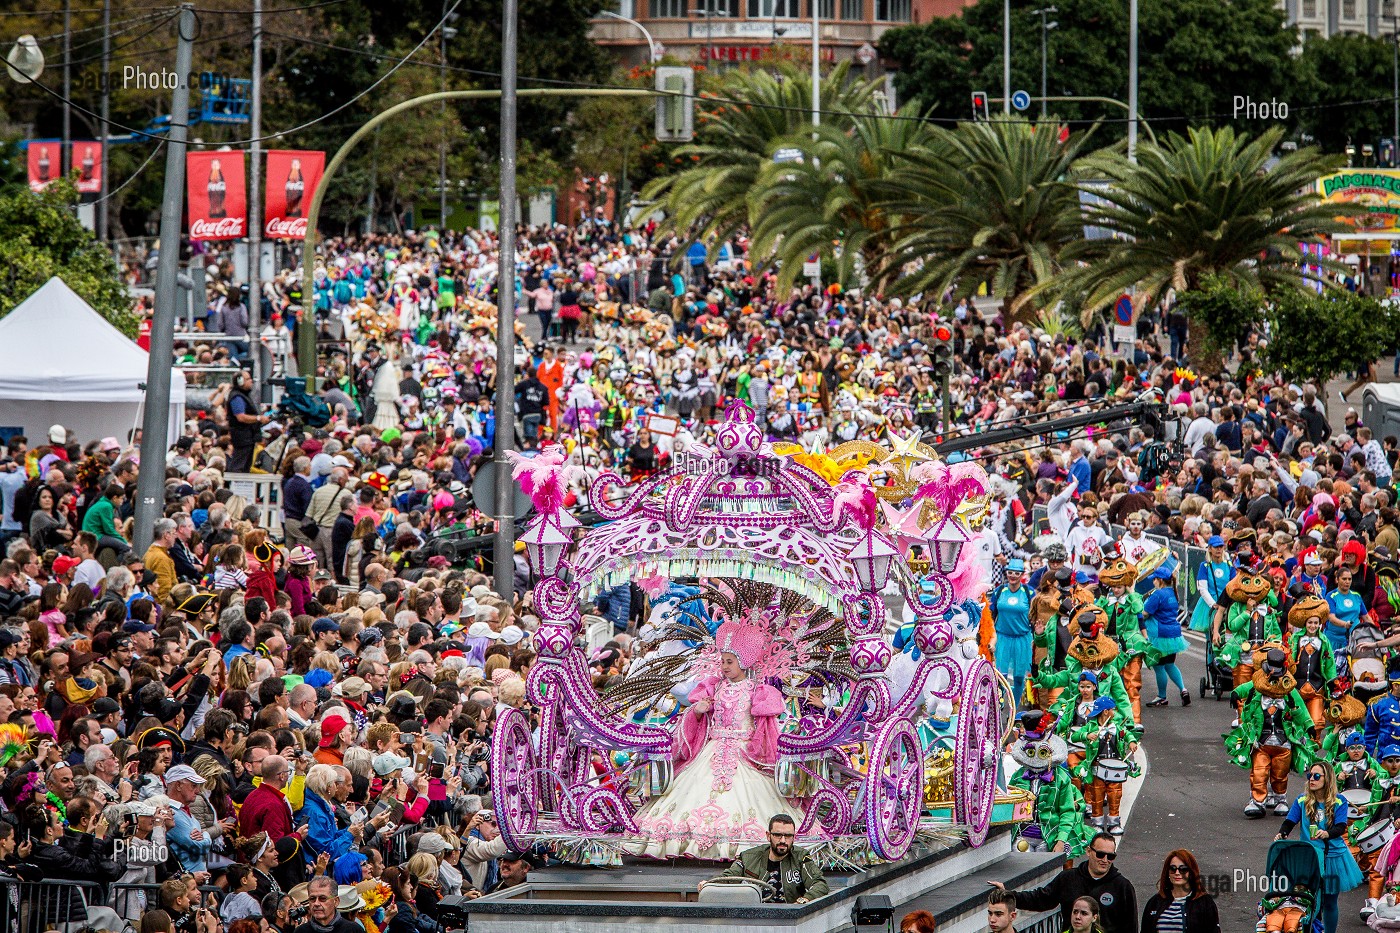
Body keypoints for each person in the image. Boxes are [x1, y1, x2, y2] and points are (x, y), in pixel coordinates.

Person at [632, 619, 790, 859]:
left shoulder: (757, 691)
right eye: (723, 661)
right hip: (712, 751)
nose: (724, 666)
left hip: (743, 753)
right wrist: (697, 710)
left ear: (743, 662)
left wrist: (760, 751)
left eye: (730, 662)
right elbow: (698, 721)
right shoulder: (714, 688)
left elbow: (766, 729)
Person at [1274, 760, 1363, 933]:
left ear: (1327, 779)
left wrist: (1327, 833)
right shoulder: (1302, 800)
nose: (1311, 780)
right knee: (1308, 899)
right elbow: (1290, 821)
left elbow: (1340, 826)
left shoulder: (1339, 801)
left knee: (1329, 901)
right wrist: (1282, 834)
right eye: (1309, 776)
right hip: (1310, 856)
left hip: (1333, 856)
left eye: (1316, 776)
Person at [992, 832, 1138, 933]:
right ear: (1088, 851)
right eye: (1100, 854)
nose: (1105, 860)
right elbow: (1040, 899)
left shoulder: (1123, 887)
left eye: (1110, 856)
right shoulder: (1068, 879)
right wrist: (1009, 896)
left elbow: (1130, 928)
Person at [714, 814, 829, 904]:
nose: (783, 840)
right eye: (778, 835)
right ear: (768, 835)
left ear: (794, 837)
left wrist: (802, 901)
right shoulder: (748, 857)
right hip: (754, 917)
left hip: (789, 918)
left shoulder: (801, 857)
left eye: (788, 836)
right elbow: (728, 877)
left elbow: (819, 884)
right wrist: (709, 884)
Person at [1139, 849, 1221, 933]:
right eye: (1172, 869)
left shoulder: (1204, 903)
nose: (1177, 873)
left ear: (1191, 872)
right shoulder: (1155, 902)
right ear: (1167, 872)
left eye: (1183, 869)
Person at [292, 875, 362, 933]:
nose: (316, 903)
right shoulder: (301, 931)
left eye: (322, 898)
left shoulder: (353, 930)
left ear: (336, 901)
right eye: (312, 899)